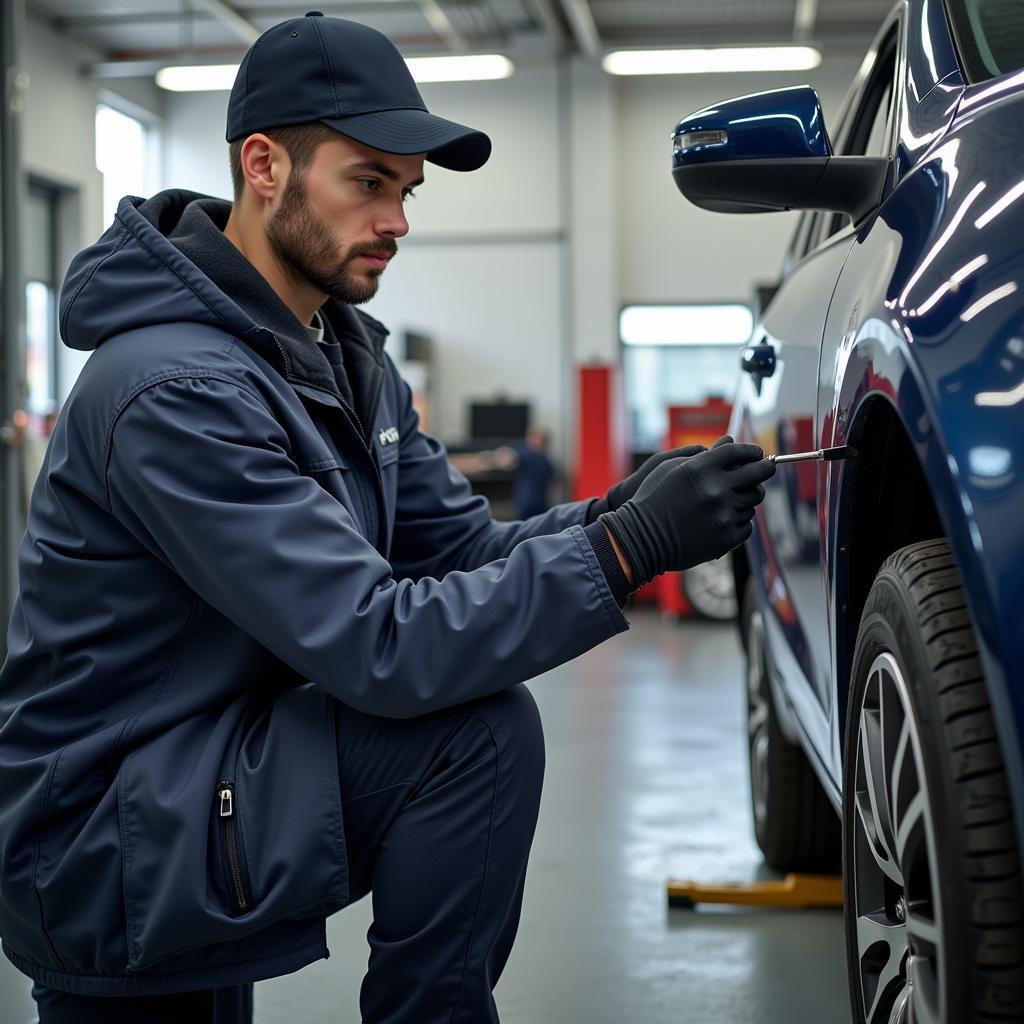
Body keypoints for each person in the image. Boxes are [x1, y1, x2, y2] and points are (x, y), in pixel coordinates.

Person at [0, 13, 775, 1024]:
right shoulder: (174, 388)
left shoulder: (343, 359)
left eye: (406, 190)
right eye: (368, 182)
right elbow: (376, 641)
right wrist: (629, 549)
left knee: (481, 721)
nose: (399, 219)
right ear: (264, 165)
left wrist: (616, 511)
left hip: (202, 778)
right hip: (108, 835)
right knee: (475, 734)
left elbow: (459, 553)